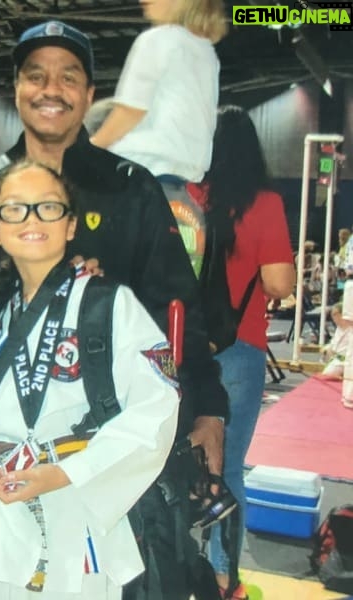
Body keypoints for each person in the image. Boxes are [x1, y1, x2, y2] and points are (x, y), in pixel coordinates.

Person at [0, 19, 227, 489]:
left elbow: (177, 306)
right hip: (0, 436)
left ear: (89, 95)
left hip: (110, 440)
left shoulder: (130, 187)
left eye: (68, 77)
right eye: (36, 75)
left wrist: (209, 407)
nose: (51, 89)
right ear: (16, 89)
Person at [0, 161, 178, 598]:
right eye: (15, 209)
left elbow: (156, 408)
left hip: (77, 510)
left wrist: (67, 472)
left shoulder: (109, 306)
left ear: (70, 225)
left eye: (48, 207)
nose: (31, 220)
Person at [196, 105, 295, 598]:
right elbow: (280, 281)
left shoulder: (184, 196)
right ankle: (220, 579)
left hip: (175, 354)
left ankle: (165, 564)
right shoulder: (265, 203)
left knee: (161, 464)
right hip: (239, 349)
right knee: (228, 468)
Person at [90, 0, 226, 275]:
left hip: (140, 191)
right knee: (171, 302)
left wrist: (86, 152)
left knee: (122, 298)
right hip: (185, 202)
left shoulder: (157, 40)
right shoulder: (206, 53)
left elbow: (129, 112)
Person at [319, 303, 350, 380]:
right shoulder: (339, 328)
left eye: (334, 314)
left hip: (347, 360)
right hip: (337, 359)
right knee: (326, 375)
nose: (333, 317)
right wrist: (327, 348)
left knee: (328, 374)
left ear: (341, 314)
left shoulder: (350, 328)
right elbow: (334, 343)